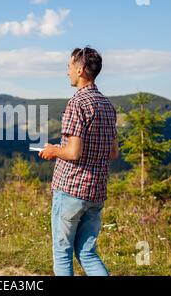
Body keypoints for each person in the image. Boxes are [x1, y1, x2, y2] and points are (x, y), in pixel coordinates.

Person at [39, 46, 119, 276]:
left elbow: (73, 153)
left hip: (72, 189)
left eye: (69, 67)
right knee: (87, 253)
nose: (67, 72)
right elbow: (113, 153)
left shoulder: (77, 103)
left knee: (62, 253)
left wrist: (54, 151)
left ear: (81, 69)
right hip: (96, 191)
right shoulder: (107, 105)